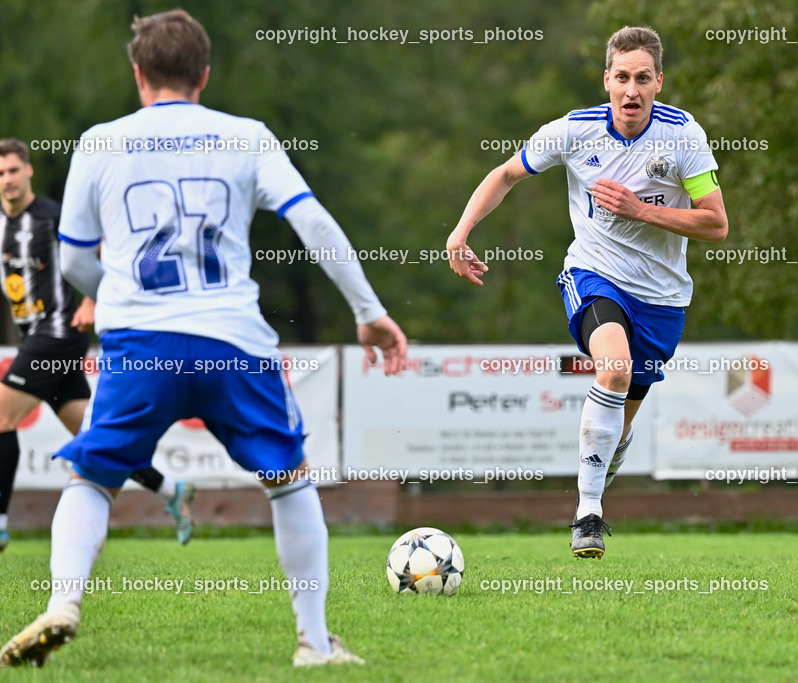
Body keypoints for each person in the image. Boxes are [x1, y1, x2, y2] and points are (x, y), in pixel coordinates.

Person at [0, 9, 405, 669]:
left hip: (143, 342)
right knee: (290, 481)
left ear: (138, 76)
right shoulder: (247, 136)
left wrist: (121, 294)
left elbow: (72, 260)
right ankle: (314, 641)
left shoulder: (99, 142)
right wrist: (369, 310)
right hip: (232, 342)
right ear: (205, 75)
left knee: (93, 474)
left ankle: (63, 602)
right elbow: (315, 222)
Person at [447, 26, 728, 559]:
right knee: (614, 369)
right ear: (606, 81)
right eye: (621, 77)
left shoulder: (683, 136)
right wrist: (460, 233)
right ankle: (588, 514)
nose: (631, 90)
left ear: (658, 82)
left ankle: (602, 471)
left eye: (642, 79)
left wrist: (641, 209)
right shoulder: (574, 132)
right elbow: (505, 173)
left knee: (620, 426)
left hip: (663, 298)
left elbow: (715, 224)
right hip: (594, 275)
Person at [0, 138, 195, 552]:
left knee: (0, 416)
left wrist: (91, 299)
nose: (7, 180)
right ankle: (169, 490)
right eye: (0, 173)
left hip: (58, 335)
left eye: (13, 170)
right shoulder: (3, 225)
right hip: (36, 338)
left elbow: (104, 249)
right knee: (99, 439)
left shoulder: (52, 217)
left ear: (28, 171)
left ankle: (0, 521)